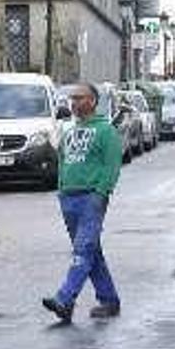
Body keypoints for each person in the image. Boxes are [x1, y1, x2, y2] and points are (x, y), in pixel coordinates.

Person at [41, 82, 123, 323]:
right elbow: (63, 162)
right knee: (91, 251)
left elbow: (112, 165)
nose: (74, 103)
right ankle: (109, 300)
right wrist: (61, 189)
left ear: (93, 101)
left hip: (91, 197)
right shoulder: (69, 131)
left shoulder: (106, 131)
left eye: (80, 98)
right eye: (72, 98)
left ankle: (64, 299)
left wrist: (101, 192)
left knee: (83, 249)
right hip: (69, 197)